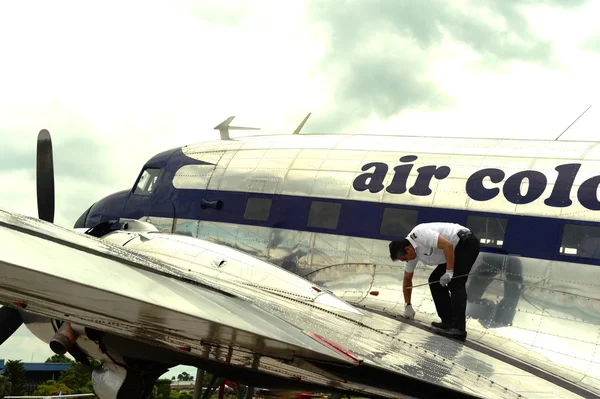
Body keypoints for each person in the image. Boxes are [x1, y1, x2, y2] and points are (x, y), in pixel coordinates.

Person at [389, 222, 480, 341]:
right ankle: (447, 321)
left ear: (407, 249)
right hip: (453, 251)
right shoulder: (411, 253)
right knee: (434, 281)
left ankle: (459, 329)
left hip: (465, 243)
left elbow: (447, 245)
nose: (406, 261)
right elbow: (407, 279)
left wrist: (449, 272)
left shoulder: (420, 234)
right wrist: (408, 305)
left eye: (405, 259)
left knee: (456, 283)